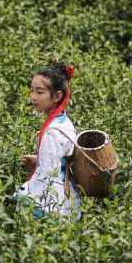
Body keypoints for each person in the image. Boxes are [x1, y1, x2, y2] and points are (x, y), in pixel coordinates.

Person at [16, 63, 80, 218]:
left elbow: (48, 176)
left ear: (57, 96)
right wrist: (38, 160)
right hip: (68, 201)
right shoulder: (64, 121)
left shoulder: (52, 133)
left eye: (39, 92)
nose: (33, 97)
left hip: (52, 205)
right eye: (31, 90)